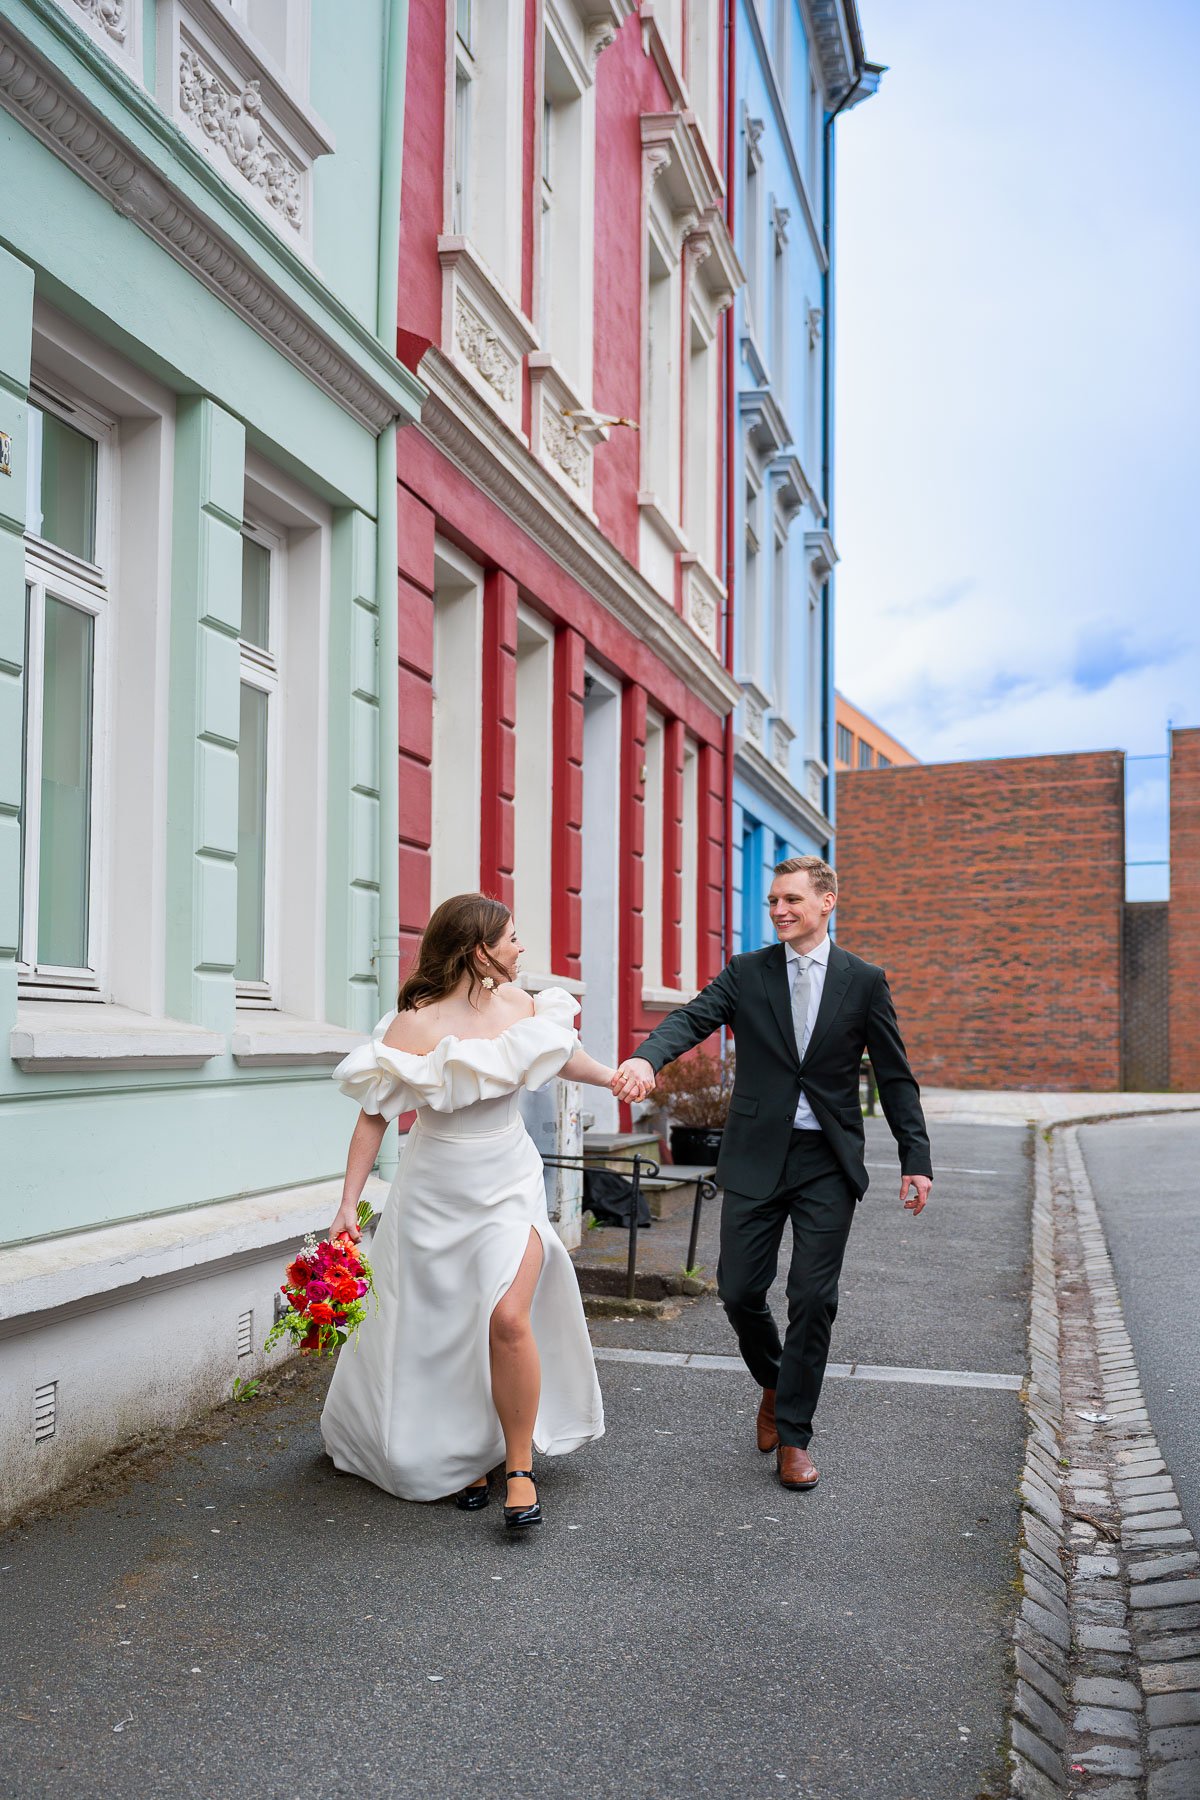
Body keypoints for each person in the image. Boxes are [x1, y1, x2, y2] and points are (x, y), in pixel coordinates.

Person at [611, 855, 932, 1493]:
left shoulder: (863, 981)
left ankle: (794, 1434)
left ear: (826, 902)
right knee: (738, 1290)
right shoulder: (747, 973)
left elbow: (894, 1075)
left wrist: (914, 1159)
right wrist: (648, 1059)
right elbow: (690, 1019)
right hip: (757, 1152)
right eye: (773, 902)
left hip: (826, 1161)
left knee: (814, 1297)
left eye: (792, 900)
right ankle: (776, 1379)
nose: (780, 911)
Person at [321, 893, 613, 1530]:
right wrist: (349, 1204)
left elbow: (562, 1054)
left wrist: (615, 1077)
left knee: (508, 1317)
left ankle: (518, 1470)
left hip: (508, 1181)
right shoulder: (415, 1024)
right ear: (476, 949)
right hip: (432, 1190)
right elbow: (373, 1118)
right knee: (443, 1328)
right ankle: (466, 1456)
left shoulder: (524, 1004)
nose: (520, 948)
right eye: (510, 938)